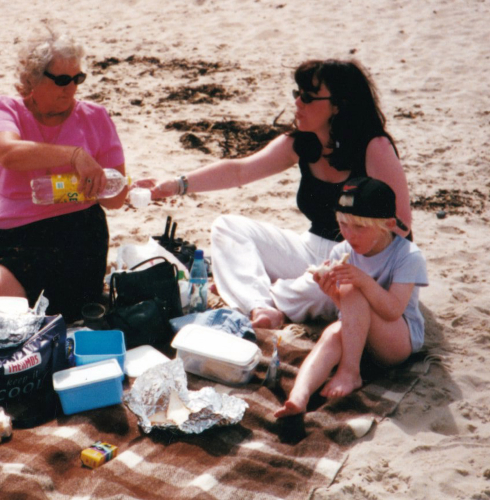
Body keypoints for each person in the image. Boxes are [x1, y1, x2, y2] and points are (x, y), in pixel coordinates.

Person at [138, 59, 412, 329]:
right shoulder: (302, 142)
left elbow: (401, 226)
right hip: (311, 247)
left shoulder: (374, 147)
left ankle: (255, 292)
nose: (297, 103)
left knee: (321, 285)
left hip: (362, 261)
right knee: (227, 228)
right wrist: (176, 185)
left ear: (338, 105)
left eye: (308, 97)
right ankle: (262, 307)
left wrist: (356, 263)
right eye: (297, 94)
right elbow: (240, 171)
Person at [0, 29, 127, 321]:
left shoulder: (95, 117)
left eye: (77, 78)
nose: (70, 88)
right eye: (61, 80)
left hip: (72, 229)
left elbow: (116, 199)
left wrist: (102, 184)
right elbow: (7, 152)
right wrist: (74, 156)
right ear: (32, 78)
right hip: (9, 229)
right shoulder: (7, 108)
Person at [274, 177, 427, 417]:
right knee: (332, 335)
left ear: (387, 224)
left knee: (352, 288)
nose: (349, 234)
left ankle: (349, 371)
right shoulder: (342, 250)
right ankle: (299, 396)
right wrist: (333, 293)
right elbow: (349, 311)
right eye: (343, 225)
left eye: (359, 227)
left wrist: (362, 280)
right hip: (360, 335)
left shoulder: (407, 255)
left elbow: (393, 310)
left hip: (397, 340)